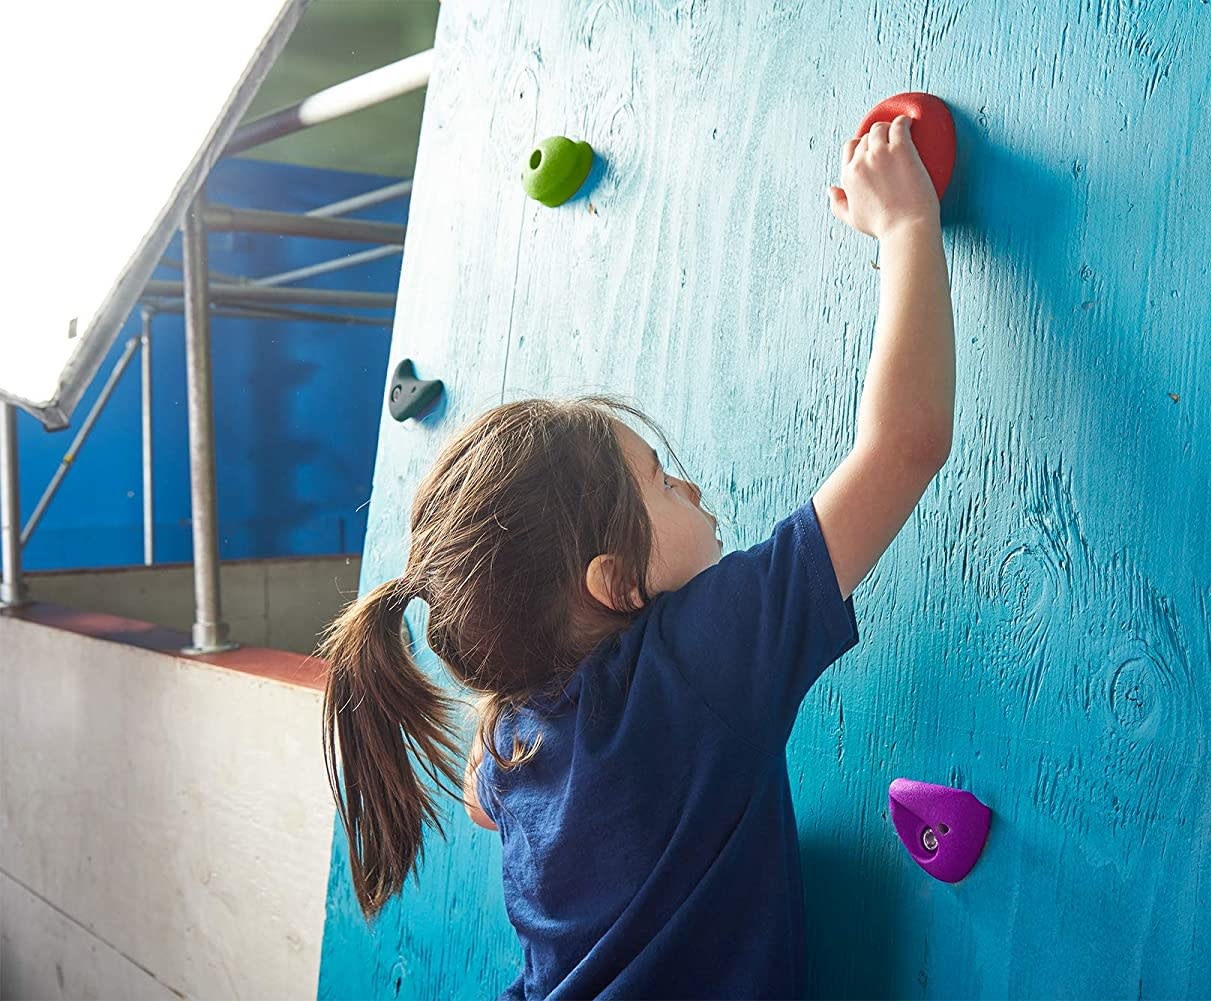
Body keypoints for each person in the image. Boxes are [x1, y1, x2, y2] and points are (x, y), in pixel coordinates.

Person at [321, 114, 955, 998]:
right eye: (659, 481)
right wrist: (907, 228)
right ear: (615, 582)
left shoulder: (516, 731)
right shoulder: (697, 661)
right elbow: (905, 446)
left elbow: (486, 790)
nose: (688, 489)